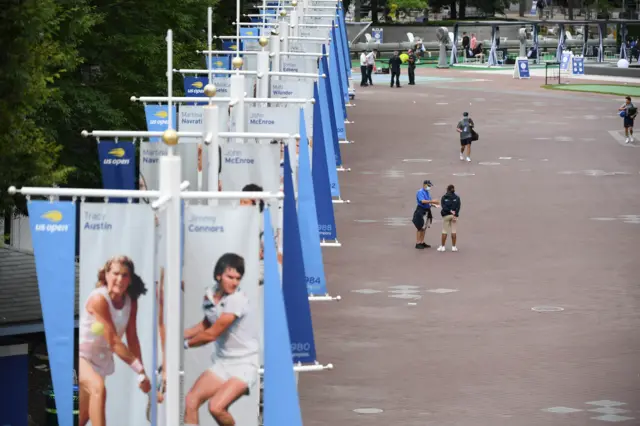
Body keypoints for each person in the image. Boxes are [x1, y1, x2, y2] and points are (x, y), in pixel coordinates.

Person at [183, 253, 259, 426]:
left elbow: (212, 334)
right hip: (222, 363)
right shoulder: (210, 295)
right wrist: (179, 334)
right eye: (230, 277)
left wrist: (185, 344)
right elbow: (205, 325)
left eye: (238, 278)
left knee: (216, 407)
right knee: (191, 400)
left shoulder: (237, 300)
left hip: (245, 365)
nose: (234, 282)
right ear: (218, 275)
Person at [79, 256, 150, 426]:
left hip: (101, 362)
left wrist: (142, 373)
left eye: (125, 275)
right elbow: (113, 340)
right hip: (80, 357)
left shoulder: (131, 302)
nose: (120, 279)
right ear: (106, 275)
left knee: (82, 418)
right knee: (98, 389)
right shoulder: (98, 299)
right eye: (116, 274)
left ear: (130, 279)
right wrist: (138, 369)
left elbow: (132, 338)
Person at [412, 180, 439, 249]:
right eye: (428, 186)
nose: (429, 187)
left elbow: (428, 202)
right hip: (421, 210)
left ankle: (422, 242)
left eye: (430, 186)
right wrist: (432, 201)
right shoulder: (420, 192)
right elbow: (422, 201)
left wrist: (433, 205)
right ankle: (418, 243)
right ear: (424, 185)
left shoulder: (427, 192)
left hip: (427, 210)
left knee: (424, 227)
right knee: (419, 227)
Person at [437, 185, 461, 252]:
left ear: (447, 189)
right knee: (454, 231)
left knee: (444, 230)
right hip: (454, 216)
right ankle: (453, 247)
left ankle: (443, 247)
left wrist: (449, 211)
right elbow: (458, 207)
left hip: (446, 216)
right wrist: (455, 214)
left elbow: (444, 207)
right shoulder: (457, 198)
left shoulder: (444, 197)